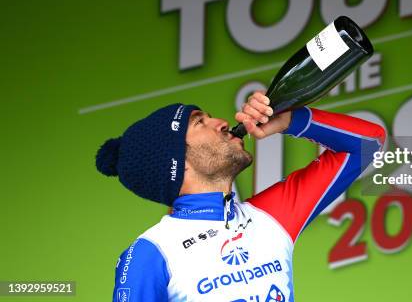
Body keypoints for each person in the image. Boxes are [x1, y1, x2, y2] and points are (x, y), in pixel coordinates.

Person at [96, 91, 385, 302]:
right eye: (199, 123)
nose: (221, 122)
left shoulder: (271, 217)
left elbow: (367, 143)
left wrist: (290, 121)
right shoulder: (153, 253)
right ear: (176, 162)